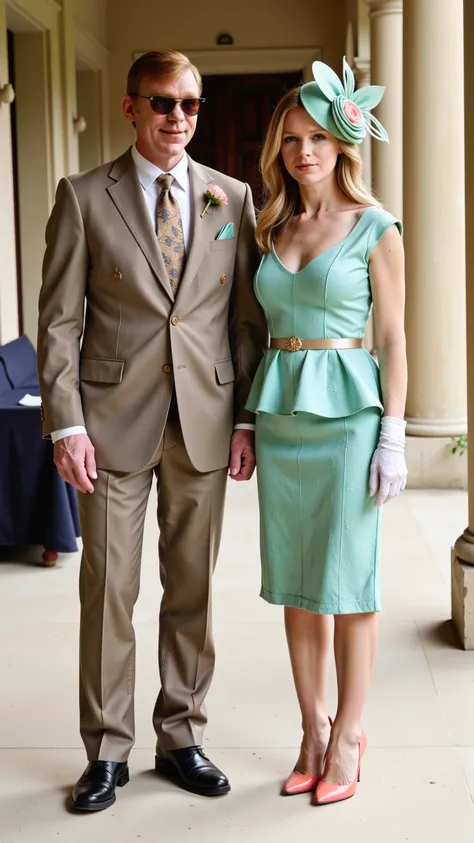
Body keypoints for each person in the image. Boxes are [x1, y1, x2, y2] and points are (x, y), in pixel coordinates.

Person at [37, 50, 267, 812]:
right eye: (164, 102)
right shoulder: (81, 197)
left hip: (203, 422)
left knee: (192, 587)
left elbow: (244, 321)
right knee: (109, 590)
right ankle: (106, 749)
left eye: (192, 104)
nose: (179, 118)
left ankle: (182, 734)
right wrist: (66, 423)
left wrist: (243, 417)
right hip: (108, 429)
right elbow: (60, 323)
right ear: (132, 107)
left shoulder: (231, 199)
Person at [246, 57, 407, 806]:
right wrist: (247, 418)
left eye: (317, 136)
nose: (304, 151)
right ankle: (310, 730)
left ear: (344, 140)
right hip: (281, 417)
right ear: (278, 149)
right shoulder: (270, 223)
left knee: (348, 581)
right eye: (290, 139)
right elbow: (251, 331)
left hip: (348, 419)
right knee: (298, 586)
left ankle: (348, 732)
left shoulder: (376, 226)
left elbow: (396, 338)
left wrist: (394, 434)